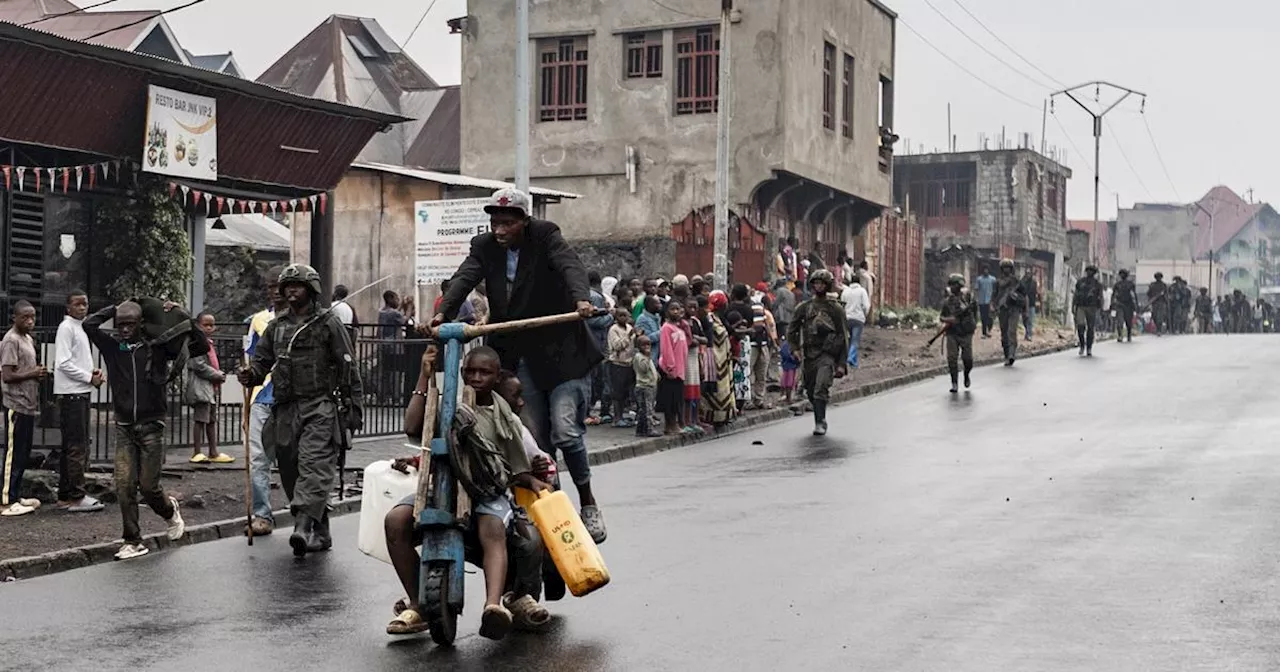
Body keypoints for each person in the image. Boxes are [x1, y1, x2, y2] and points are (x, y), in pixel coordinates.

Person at [433, 188, 607, 544]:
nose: (499, 229)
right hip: (520, 354)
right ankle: (553, 513)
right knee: (538, 442)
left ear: (524, 223)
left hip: (563, 355)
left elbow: (569, 265)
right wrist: (441, 314)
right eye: (495, 222)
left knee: (565, 432)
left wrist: (581, 299)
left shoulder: (545, 235)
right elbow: (464, 277)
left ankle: (587, 501)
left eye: (508, 223)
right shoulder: (483, 246)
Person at [384, 347, 551, 639]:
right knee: (395, 520)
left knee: (493, 528)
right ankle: (417, 603)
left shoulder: (506, 419)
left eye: (484, 373)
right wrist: (424, 378)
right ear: (462, 374)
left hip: (487, 494)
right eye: (471, 372)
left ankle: (493, 605)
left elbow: (514, 467)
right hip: (443, 489)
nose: (476, 378)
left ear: (496, 377)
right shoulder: (448, 406)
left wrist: (533, 480)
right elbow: (412, 425)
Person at [240, 263, 364, 557]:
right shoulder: (276, 327)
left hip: (318, 407)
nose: (291, 291)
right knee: (291, 470)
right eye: (287, 286)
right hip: (284, 410)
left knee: (314, 465)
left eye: (298, 286)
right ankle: (320, 530)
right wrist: (251, 374)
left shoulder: (328, 324)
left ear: (311, 290)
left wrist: (354, 408)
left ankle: (302, 527)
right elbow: (261, 363)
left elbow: (348, 367)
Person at [84, 300, 195, 559]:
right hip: (124, 426)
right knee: (123, 486)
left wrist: (177, 311)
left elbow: (194, 340)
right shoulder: (113, 349)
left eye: (130, 324)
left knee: (148, 487)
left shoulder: (157, 348)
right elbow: (89, 324)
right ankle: (133, 540)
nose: (124, 330)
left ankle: (169, 511)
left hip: (152, 425)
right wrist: (118, 306)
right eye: (120, 325)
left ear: (140, 324)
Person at [244, 265, 287, 536]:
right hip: (262, 397)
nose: (274, 292)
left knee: (295, 459)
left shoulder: (309, 321)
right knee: (258, 458)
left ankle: (307, 514)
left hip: (294, 398)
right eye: (270, 287)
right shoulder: (259, 320)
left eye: (279, 286)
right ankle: (262, 514)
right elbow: (252, 359)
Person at [53, 290, 105, 512]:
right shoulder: (67, 328)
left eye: (85, 304)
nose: (83, 308)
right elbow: (63, 363)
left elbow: (74, 361)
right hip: (73, 394)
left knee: (72, 446)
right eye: (77, 304)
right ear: (68, 307)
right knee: (77, 447)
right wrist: (88, 377)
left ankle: (65, 495)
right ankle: (76, 495)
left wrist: (90, 372)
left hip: (79, 392)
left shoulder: (79, 328)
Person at [786, 270, 848, 436]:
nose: (818, 286)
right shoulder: (804, 308)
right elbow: (791, 331)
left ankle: (820, 422)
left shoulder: (835, 308)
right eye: (816, 283)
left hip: (827, 354)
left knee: (821, 387)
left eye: (822, 283)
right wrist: (794, 349)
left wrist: (841, 364)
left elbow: (843, 336)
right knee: (812, 390)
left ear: (827, 285)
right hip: (809, 354)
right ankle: (818, 414)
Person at [0, 301, 46, 517]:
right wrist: (32, 373)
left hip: (28, 404)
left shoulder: (28, 338)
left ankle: (16, 495)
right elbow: (7, 376)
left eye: (33, 317)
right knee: (13, 453)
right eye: (25, 317)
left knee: (23, 453)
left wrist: (38, 373)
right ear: (15, 318)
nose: (30, 321)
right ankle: (5, 501)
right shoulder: (11, 340)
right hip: (15, 405)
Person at [186, 312, 231, 463]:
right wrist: (217, 374)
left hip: (211, 388)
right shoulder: (196, 344)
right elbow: (198, 365)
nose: (209, 328)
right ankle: (197, 452)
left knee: (212, 420)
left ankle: (213, 451)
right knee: (200, 419)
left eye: (212, 325)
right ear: (198, 326)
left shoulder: (209, 343)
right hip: (200, 387)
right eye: (206, 325)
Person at [701, 291, 736, 427]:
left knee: (723, 387)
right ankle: (712, 416)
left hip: (723, 359)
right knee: (715, 388)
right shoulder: (710, 319)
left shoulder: (718, 318)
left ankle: (723, 416)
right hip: (714, 358)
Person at [938, 274, 978, 393]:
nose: (955, 288)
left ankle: (966, 374)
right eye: (953, 285)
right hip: (952, 333)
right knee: (952, 358)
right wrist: (949, 320)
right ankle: (954, 382)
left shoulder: (967, 299)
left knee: (968, 359)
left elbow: (975, 313)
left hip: (966, 332)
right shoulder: (947, 302)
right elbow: (941, 317)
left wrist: (972, 322)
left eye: (957, 286)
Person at [585, 271, 615, 424]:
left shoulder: (592, 295)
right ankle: (588, 411)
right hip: (595, 344)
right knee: (595, 379)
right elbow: (592, 321)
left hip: (596, 343)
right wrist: (610, 316)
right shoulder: (595, 297)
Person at [657, 300, 689, 435]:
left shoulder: (679, 328)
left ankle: (675, 423)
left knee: (677, 399)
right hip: (671, 370)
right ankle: (670, 425)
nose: (676, 312)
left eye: (678, 309)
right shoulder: (666, 328)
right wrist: (670, 367)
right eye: (672, 309)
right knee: (669, 400)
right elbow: (667, 349)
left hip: (680, 370)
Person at [606, 308, 636, 429]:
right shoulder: (613, 330)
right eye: (621, 316)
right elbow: (617, 346)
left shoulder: (629, 327)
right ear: (616, 317)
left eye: (626, 315)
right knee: (617, 392)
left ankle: (622, 416)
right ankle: (617, 418)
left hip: (629, 363)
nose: (624, 318)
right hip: (617, 363)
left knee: (625, 392)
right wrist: (628, 337)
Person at [994, 259, 1027, 366]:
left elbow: (1024, 296)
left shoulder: (1016, 281)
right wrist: (993, 306)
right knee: (1004, 333)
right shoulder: (998, 282)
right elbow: (994, 295)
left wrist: (1016, 298)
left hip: (1014, 309)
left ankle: (1012, 354)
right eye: (1004, 267)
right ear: (1001, 269)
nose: (1006, 269)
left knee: (1011, 331)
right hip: (1002, 310)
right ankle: (1006, 355)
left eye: (1008, 267)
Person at [632, 336, 660, 437]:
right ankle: (649, 429)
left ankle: (640, 430)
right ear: (638, 346)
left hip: (650, 385)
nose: (647, 347)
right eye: (644, 345)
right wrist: (648, 357)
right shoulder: (640, 357)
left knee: (644, 409)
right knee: (647, 410)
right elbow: (644, 369)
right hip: (644, 386)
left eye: (648, 344)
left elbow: (651, 368)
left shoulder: (647, 356)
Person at [840, 275, 870, 368]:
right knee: (855, 341)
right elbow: (866, 306)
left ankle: (853, 362)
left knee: (848, 340)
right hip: (858, 319)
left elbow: (841, 305)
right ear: (859, 282)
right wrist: (864, 315)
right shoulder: (862, 291)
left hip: (847, 318)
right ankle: (851, 358)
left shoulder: (845, 291)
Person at [1073, 265, 1104, 357]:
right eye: (1088, 271)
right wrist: (1073, 306)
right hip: (1081, 306)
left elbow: (1101, 297)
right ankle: (1082, 345)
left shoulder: (1097, 284)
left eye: (1092, 271)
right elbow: (1076, 294)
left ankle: (1089, 347)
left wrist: (1101, 308)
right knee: (1080, 327)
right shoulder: (1080, 282)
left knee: (1090, 328)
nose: (1090, 272)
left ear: (1094, 273)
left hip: (1092, 307)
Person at [1113, 269, 1139, 342]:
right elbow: (1113, 294)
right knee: (1120, 321)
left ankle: (1129, 335)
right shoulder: (1117, 284)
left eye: (1123, 274)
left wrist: (1136, 305)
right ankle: (1120, 335)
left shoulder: (1130, 284)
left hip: (1129, 305)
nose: (1122, 275)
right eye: (1121, 274)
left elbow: (1134, 295)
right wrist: (1113, 304)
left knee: (1128, 322)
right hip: (1119, 304)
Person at [635, 295, 662, 363]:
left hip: (658, 357)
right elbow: (645, 339)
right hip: (649, 359)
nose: (660, 305)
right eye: (657, 303)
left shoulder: (657, 317)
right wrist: (662, 332)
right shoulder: (642, 319)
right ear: (650, 305)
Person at [974, 266, 996, 338]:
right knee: (983, 318)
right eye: (984, 270)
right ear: (982, 270)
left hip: (990, 302)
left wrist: (995, 300)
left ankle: (989, 330)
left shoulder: (993, 279)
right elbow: (976, 289)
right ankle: (984, 333)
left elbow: (995, 290)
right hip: (982, 301)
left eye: (987, 269)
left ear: (989, 270)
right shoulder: (979, 279)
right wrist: (976, 299)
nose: (986, 271)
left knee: (990, 317)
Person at [779, 337, 799, 404]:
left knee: (790, 381)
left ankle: (788, 397)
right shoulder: (787, 345)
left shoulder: (788, 344)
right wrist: (795, 358)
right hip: (789, 365)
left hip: (791, 365)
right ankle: (788, 398)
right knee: (789, 382)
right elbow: (786, 354)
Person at [1020, 268, 1039, 342]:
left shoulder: (1034, 283)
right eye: (1027, 273)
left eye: (1029, 273)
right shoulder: (1022, 282)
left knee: (1030, 320)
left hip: (1031, 304)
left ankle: (1029, 335)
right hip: (1023, 305)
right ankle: (1027, 333)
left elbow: (1037, 293)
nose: (1028, 275)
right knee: (1024, 320)